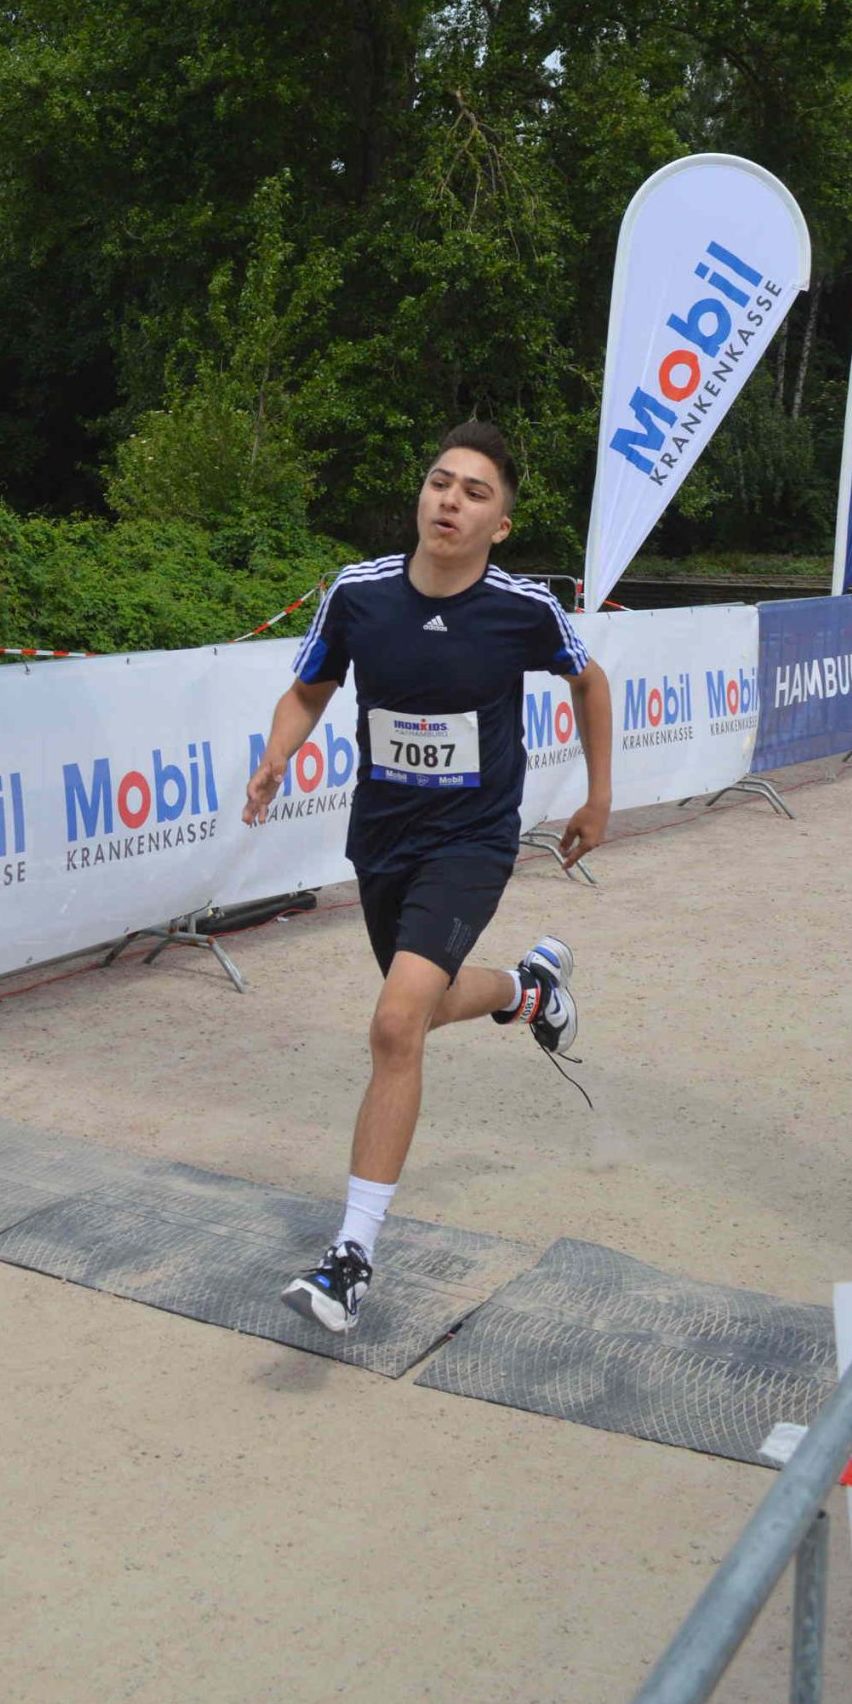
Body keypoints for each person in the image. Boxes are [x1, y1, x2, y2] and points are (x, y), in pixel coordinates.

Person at [242, 421, 613, 1335]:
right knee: (420, 1009)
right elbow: (309, 689)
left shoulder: (523, 607)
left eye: (475, 492)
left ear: (500, 525)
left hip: (472, 841)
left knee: (395, 1021)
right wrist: (278, 754)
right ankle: (527, 990)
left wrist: (599, 796)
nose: (450, 500)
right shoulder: (358, 593)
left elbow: (589, 682)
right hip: (382, 839)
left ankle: (350, 1259)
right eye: (440, 482)